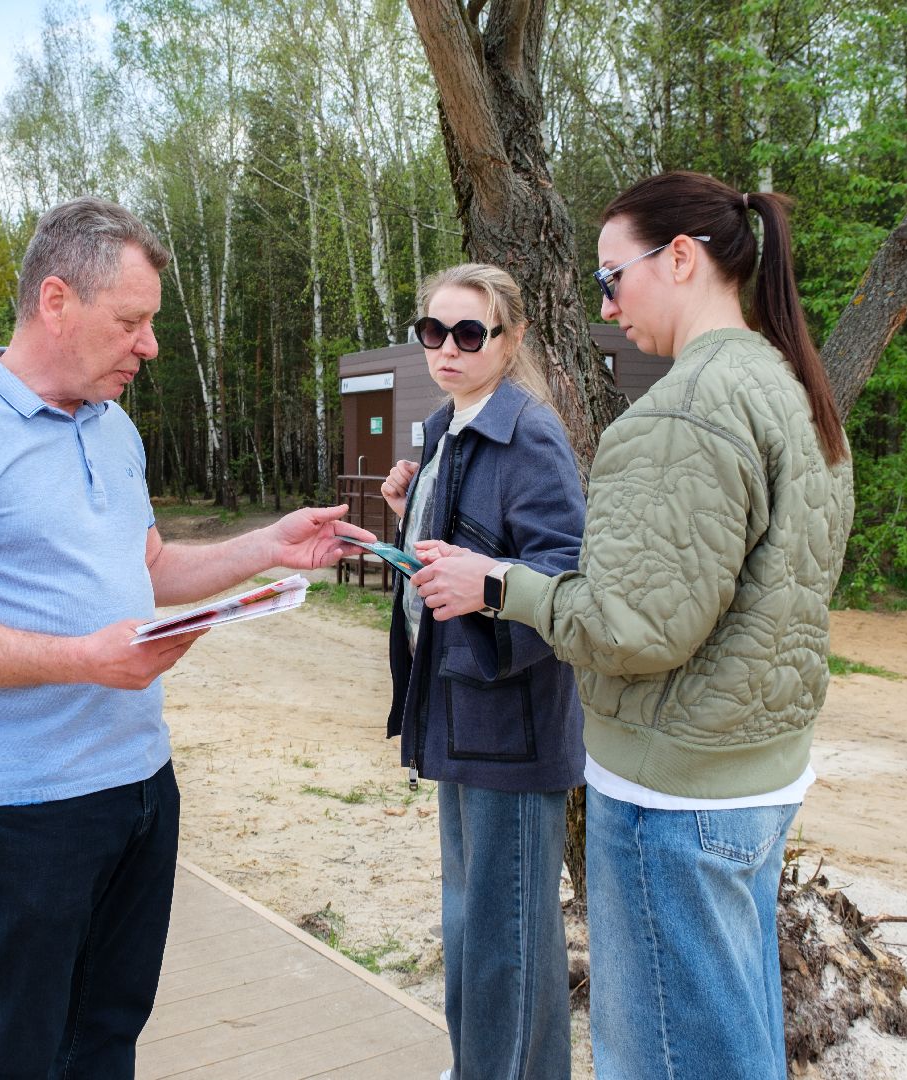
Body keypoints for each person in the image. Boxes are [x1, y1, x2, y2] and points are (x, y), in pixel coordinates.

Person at [0, 196, 372, 1079]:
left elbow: (149, 567)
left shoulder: (114, 423)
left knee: (106, 1040)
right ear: (56, 302)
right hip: (24, 809)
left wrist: (268, 547)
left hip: (140, 788)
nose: (151, 346)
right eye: (131, 322)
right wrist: (83, 660)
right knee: (13, 1053)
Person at [409, 172, 855, 1080]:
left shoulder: (683, 411)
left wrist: (500, 586)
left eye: (613, 279)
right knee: (734, 1049)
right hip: (756, 777)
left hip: (672, 797)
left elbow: (630, 629)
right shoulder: (786, 385)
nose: (607, 308)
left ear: (681, 258)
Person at [378, 264, 585, 1080]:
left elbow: (567, 576)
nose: (448, 348)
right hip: (458, 717)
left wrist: (488, 588)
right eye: (434, 331)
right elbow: (464, 550)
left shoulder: (528, 431)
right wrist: (412, 517)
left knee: (507, 939)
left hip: (511, 725)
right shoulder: (448, 427)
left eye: (470, 333)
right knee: (475, 926)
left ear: (512, 337)